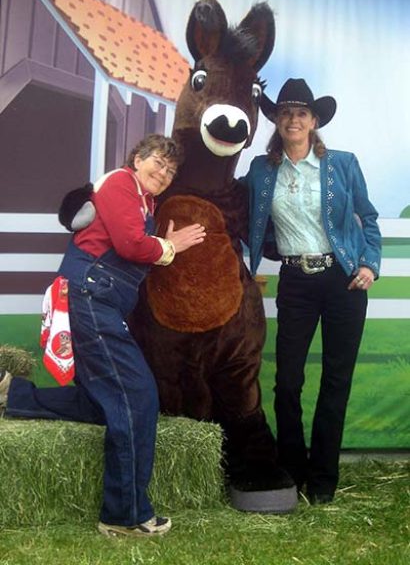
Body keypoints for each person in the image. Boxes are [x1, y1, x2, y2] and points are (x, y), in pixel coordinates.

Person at [0, 134, 206, 535]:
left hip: (98, 300)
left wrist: (160, 243)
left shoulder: (145, 200)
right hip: (90, 296)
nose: (163, 173)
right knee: (138, 395)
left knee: (103, 401)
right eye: (157, 163)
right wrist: (170, 245)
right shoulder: (120, 184)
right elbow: (131, 245)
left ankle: (11, 393)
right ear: (137, 159)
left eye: (170, 170)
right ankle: (124, 515)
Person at [240, 78, 381, 504]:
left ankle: (322, 481)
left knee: (336, 382)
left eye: (302, 112)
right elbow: (244, 219)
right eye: (286, 112)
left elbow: (368, 219)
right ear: (276, 121)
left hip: (343, 281)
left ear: (315, 121)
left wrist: (369, 264)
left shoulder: (342, 163)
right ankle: (291, 472)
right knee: (287, 382)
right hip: (296, 281)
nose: (294, 119)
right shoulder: (261, 172)